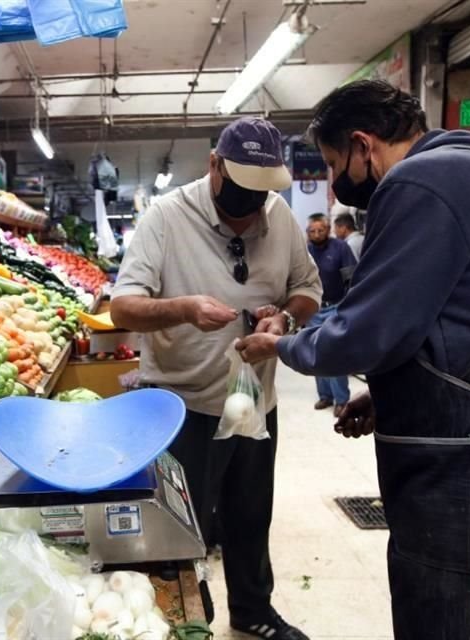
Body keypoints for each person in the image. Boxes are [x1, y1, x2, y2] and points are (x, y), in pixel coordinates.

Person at [235, 80, 470, 640]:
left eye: (332, 162)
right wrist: (393, 391)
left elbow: (366, 331)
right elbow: (465, 315)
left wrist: (282, 344)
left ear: (363, 145)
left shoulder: (422, 180)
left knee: (450, 623)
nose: (336, 183)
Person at [111, 116, 322, 640]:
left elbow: (308, 289)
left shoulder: (279, 218)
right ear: (214, 166)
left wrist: (285, 320)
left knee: (251, 517)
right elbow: (123, 309)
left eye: (261, 197)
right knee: (183, 530)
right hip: (182, 410)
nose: (250, 214)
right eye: (242, 194)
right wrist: (181, 308)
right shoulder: (166, 216)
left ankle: (253, 609)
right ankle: (187, 616)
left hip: (255, 404)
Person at [306, 213, 357, 415]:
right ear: (307, 232)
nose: (317, 234)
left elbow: (351, 278)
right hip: (313, 309)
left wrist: (348, 307)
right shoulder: (305, 251)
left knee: (334, 352)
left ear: (328, 230)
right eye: (312, 231)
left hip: (335, 307)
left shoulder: (340, 248)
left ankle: (341, 399)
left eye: (321, 230)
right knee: (316, 353)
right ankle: (325, 396)